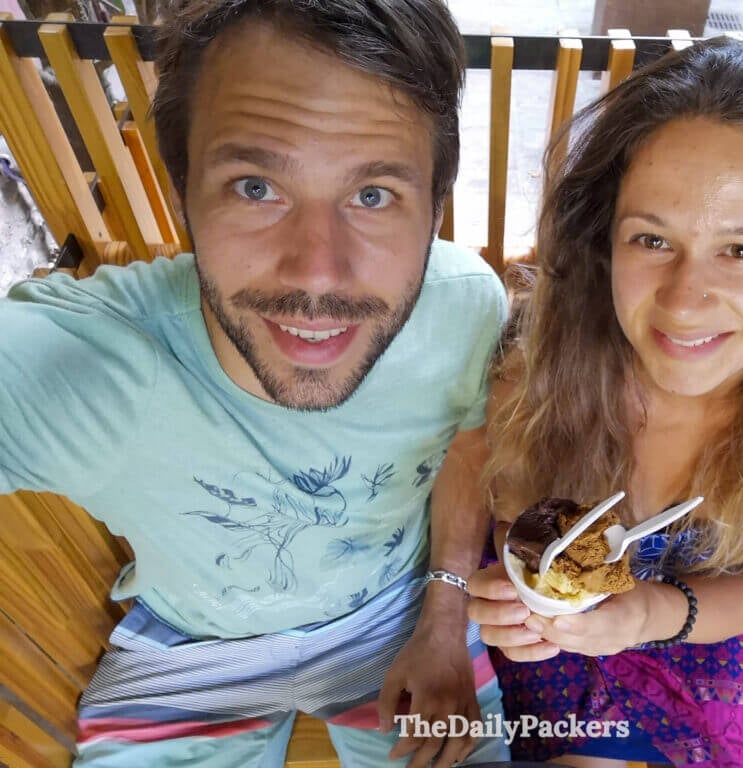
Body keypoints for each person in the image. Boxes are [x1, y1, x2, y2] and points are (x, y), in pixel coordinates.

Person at [0, 1, 510, 766]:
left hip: (400, 621)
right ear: (184, 196)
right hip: (190, 660)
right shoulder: (102, 366)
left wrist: (444, 614)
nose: (317, 273)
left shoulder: (464, 305)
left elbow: (469, 445)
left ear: (434, 211)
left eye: (372, 196)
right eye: (254, 187)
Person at [468, 37, 743, 767]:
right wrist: (525, 589)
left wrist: (646, 612)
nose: (682, 303)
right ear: (604, 240)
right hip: (556, 622)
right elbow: (519, 515)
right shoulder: (541, 348)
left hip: (709, 618)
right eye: (651, 239)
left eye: (742, 250)